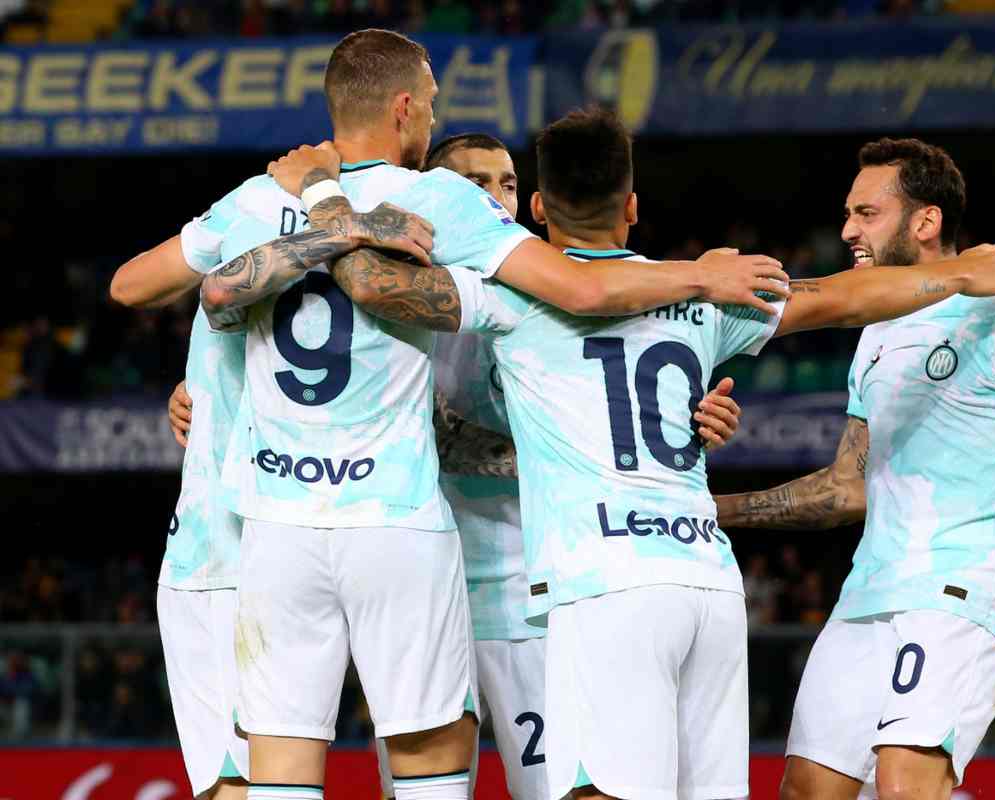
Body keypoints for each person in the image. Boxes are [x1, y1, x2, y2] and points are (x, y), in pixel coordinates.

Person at [264, 109, 995, 800]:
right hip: (707, 585)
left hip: (605, 585)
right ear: (632, 207)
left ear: (536, 209)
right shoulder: (708, 293)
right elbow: (839, 297)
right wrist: (957, 273)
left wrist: (322, 196)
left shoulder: (514, 298)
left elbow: (369, 283)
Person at [194, 29, 788, 800]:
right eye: (434, 107)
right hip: (407, 534)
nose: (491, 196)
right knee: (430, 761)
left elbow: (200, 292)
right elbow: (583, 289)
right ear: (407, 112)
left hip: (439, 562)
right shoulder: (449, 222)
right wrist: (700, 278)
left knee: (291, 757)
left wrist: (673, 416)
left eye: (506, 182)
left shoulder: (268, 200)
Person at [713, 138, 995, 800]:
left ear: (926, 221)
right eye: (848, 213)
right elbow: (846, 488)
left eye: (866, 213)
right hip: (867, 597)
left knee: (904, 786)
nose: (847, 230)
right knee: (806, 790)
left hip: (962, 591)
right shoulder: (877, 330)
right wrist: (710, 510)